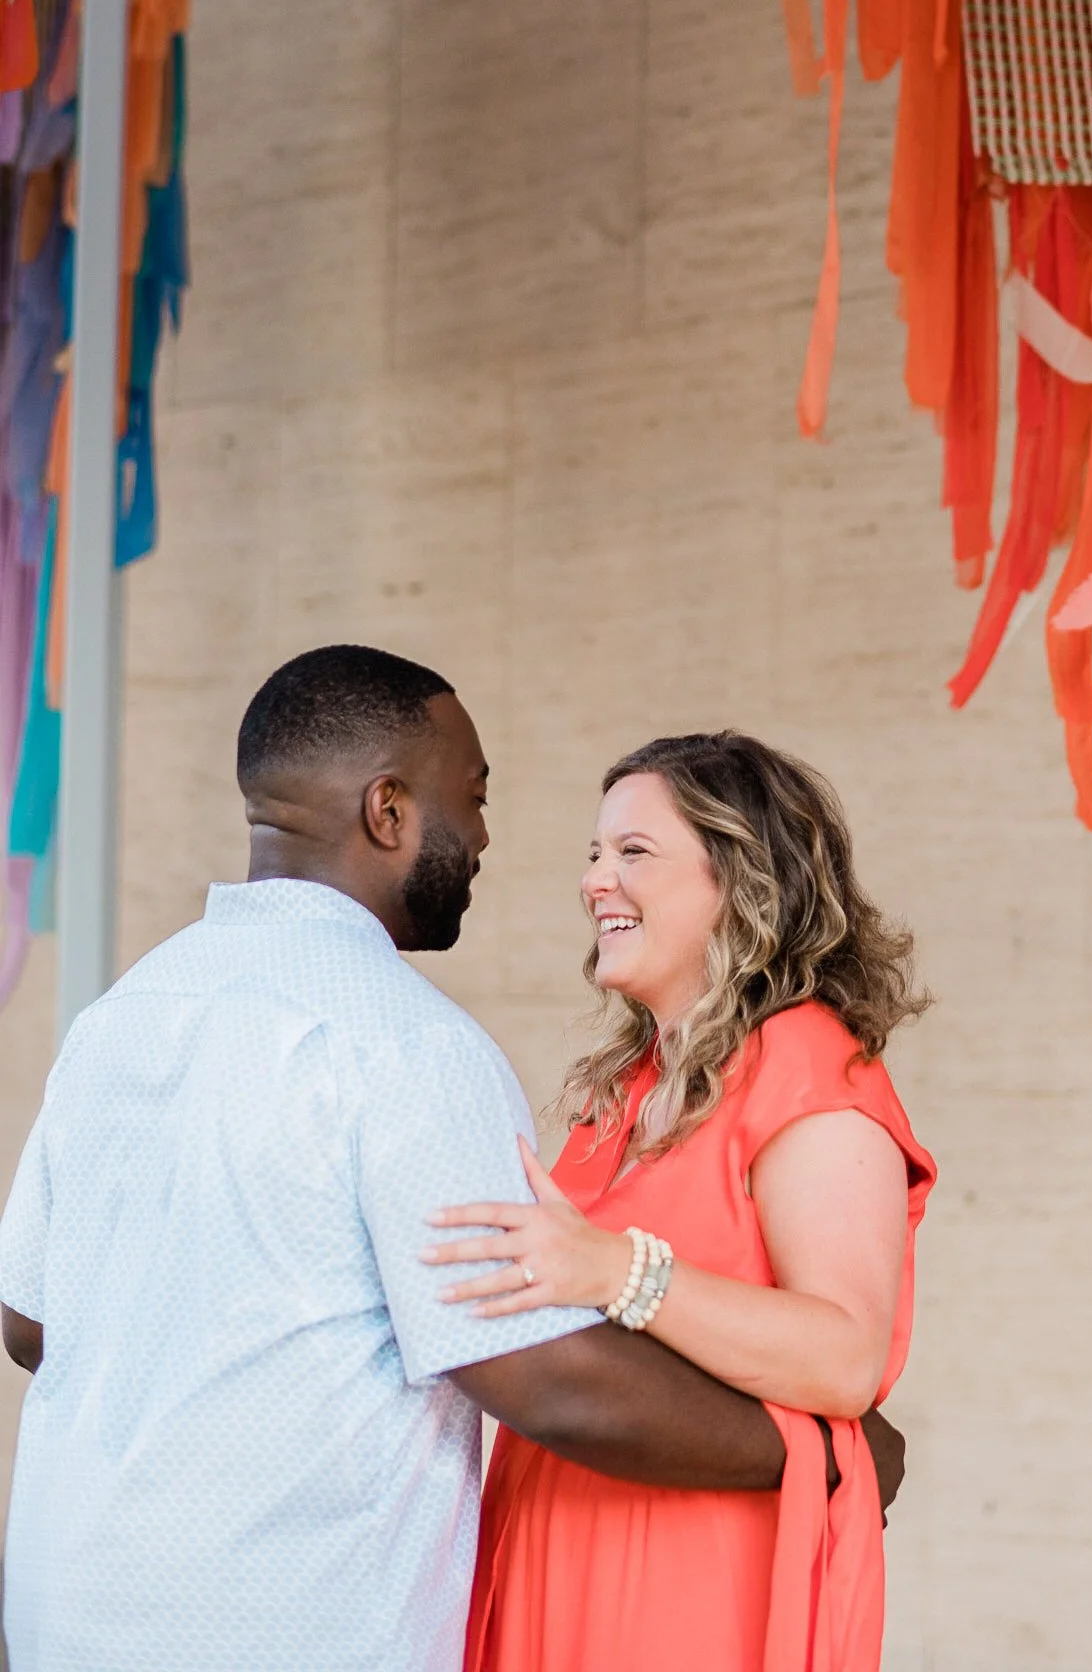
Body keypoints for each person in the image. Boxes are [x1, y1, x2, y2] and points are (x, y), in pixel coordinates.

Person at [0, 649, 900, 1672]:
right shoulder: (408, 1045)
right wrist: (828, 1455)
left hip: (67, 1615)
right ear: (388, 811)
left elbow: (31, 1319)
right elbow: (542, 1375)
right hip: (289, 1625)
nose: (483, 836)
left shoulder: (120, 1019)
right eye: (469, 798)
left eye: (630, 851)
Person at [427, 729, 934, 1672]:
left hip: (691, 1582)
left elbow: (844, 1357)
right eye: (593, 854)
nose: (593, 881)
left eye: (633, 853)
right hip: (555, 1542)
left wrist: (619, 1268)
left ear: (738, 878)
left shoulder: (807, 1064)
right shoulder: (625, 1088)